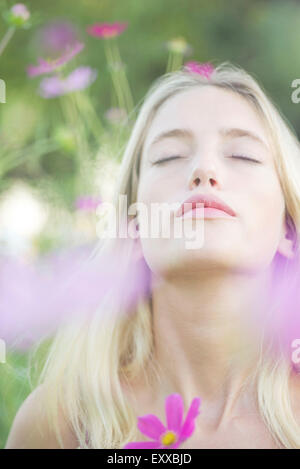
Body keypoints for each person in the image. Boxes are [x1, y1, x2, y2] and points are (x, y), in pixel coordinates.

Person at [5, 61, 300, 449]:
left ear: (288, 229)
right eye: (169, 156)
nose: (204, 170)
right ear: (135, 229)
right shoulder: (61, 422)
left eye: (243, 155)